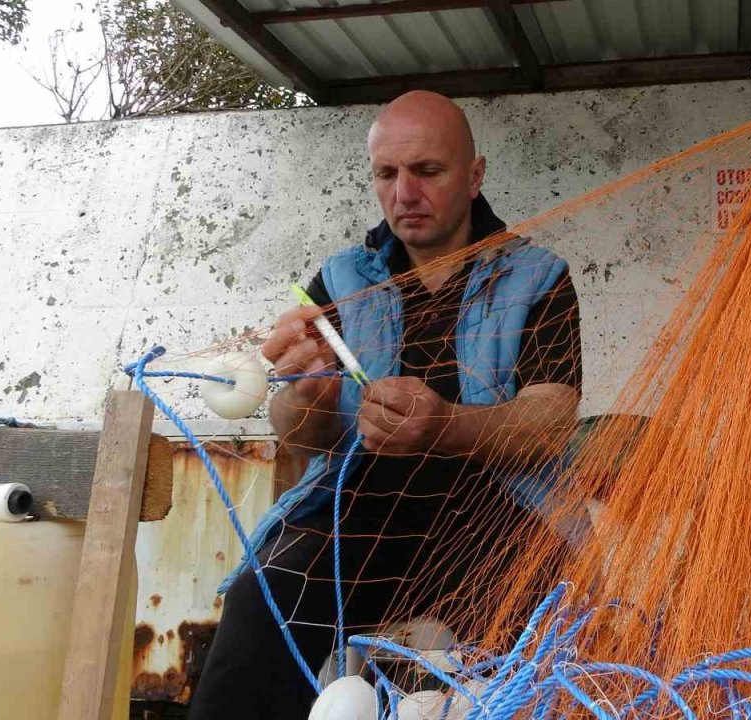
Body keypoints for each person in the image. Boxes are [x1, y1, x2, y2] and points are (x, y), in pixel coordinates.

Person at [189, 91, 582, 719]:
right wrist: (310, 394)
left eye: (428, 171)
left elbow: (551, 422)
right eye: (386, 173)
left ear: (474, 175)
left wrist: (445, 425)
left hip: (498, 518)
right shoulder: (342, 279)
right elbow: (304, 435)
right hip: (358, 516)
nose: (404, 193)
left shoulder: (535, 275)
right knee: (263, 599)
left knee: (559, 631)